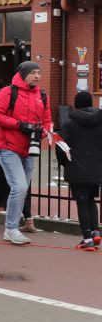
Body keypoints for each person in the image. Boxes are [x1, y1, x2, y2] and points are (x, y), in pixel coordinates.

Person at [0, 61, 52, 245]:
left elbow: (47, 120)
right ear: (23, 74)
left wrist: (44, 132)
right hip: (8, 147)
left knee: (22, 189)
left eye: (39, 72)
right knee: (20, 187)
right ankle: (11, 229)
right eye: (33, 73)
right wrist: (19, 125)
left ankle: (13, 227)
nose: (37, 76)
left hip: (29, 149)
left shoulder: (42, 95)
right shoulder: (9, 92)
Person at [57, 91, 102, 251]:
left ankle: (87, 238)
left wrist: (64, 163)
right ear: (91, 103)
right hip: (96, 169)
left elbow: (62, 148)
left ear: (76, 104)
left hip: (76, 168)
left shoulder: (69, 122)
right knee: (91, 200)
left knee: (82, 202)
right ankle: (96, 231)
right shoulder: (100, 120)